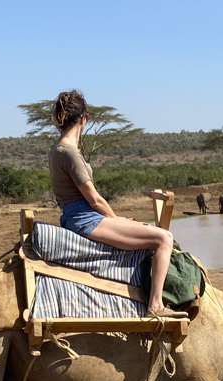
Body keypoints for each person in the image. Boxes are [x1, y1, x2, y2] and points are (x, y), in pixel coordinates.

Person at [48, 89, 185, 318]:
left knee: (149, 232)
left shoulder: (56, 150)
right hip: (86, 218)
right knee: (164, 238)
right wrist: (115, 219)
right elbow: (95, 200)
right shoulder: (70, 153)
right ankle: (156, 305)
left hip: (75, 216)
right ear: (84, 118)